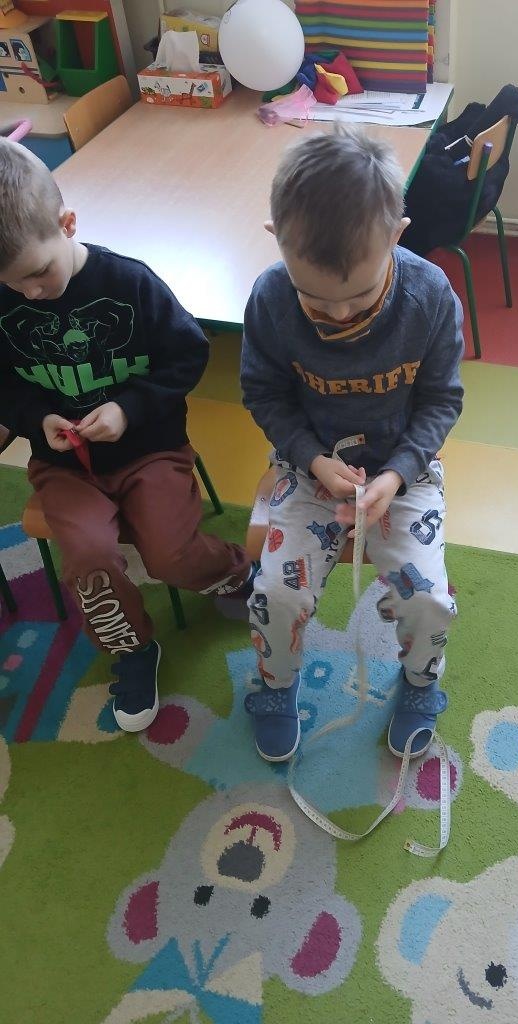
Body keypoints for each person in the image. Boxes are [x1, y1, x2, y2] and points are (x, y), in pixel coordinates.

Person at [0, 139, 254, 732]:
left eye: (38, 273)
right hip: (65, 467)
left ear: (68, 224)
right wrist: (37, 418)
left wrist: (127, 408)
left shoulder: (129, 282)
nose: (30, 292)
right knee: (89, 561)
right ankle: (133, 649)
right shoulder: (7, 296)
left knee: (170, 555)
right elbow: (5, 384)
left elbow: (188, 353)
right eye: (13, 284)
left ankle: (238, 573)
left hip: (149, 450)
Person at [241, 128, 464, 763]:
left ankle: (420, 684)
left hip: (404, 473)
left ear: (398, 234)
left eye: (360, 295)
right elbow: (264, 394)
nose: (339, 315)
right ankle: (276, 687)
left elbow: (442, 401)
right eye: (315, 297)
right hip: (308, 468)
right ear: (277, 238)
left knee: (427, 599)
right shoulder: (271, 298)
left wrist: (396, 474)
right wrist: (312, 459)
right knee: (275, 594)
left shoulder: (430, 296)